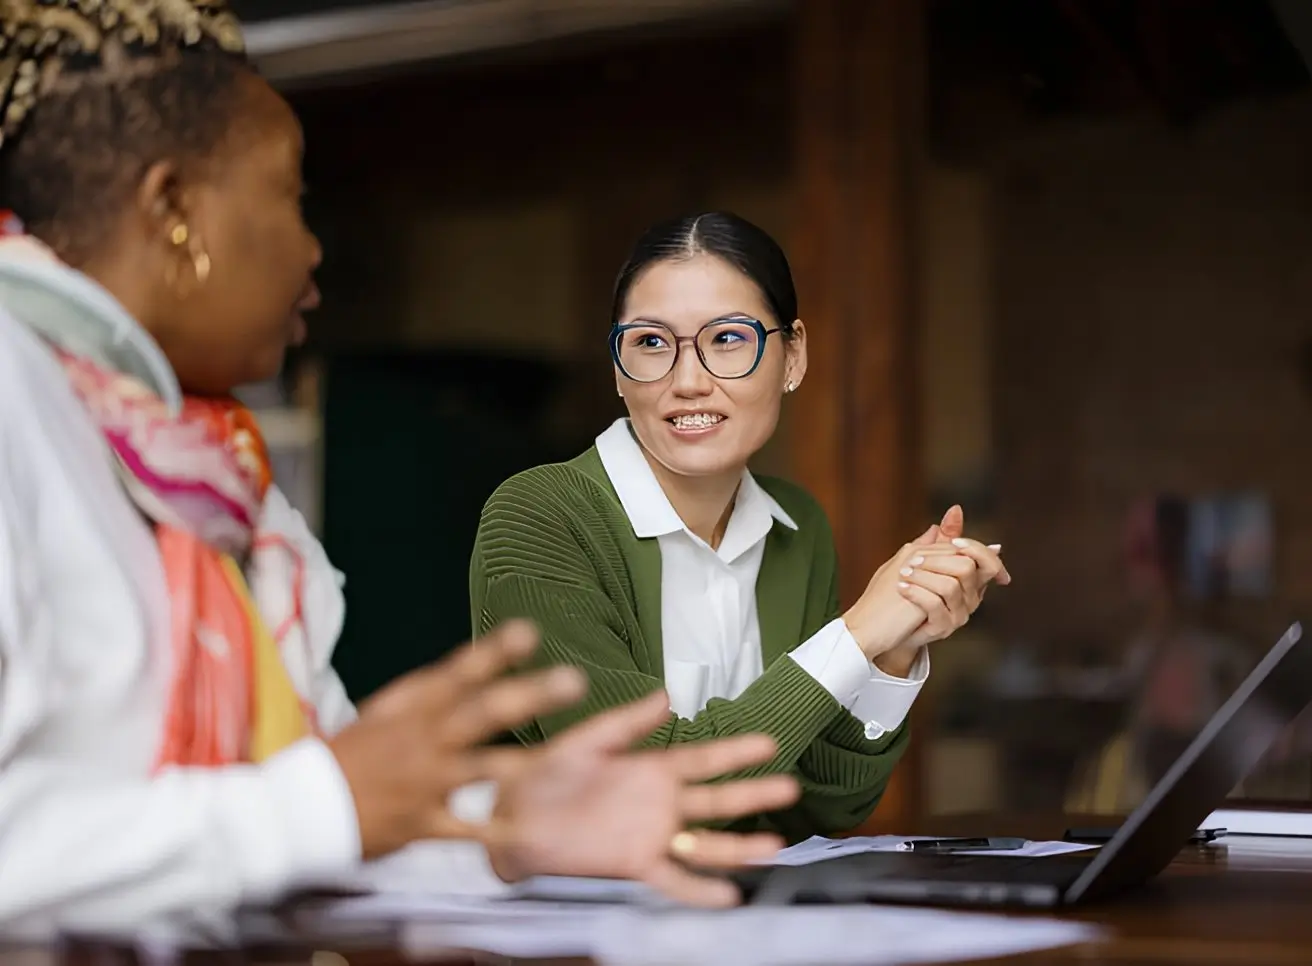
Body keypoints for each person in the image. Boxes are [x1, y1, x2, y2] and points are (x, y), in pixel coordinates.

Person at [0, 2, 798, 939]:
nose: (311, 250)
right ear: (175, 210)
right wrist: (330, 801)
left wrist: (497, 833)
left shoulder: (218, 485)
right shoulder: (15, 393)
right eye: (292, 195)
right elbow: (307, 809)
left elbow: (306, 822)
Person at [470, 212, 1011, 840]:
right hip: (568, 927)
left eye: (728, 338)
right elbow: (641, 792)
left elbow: (819, 807)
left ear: (793, 356)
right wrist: (859, 632)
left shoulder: (796, 527)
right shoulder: (540, 515)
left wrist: (894, 646)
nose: (689, 382)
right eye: (650, 343)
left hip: (738, 917)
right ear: (618, 368)